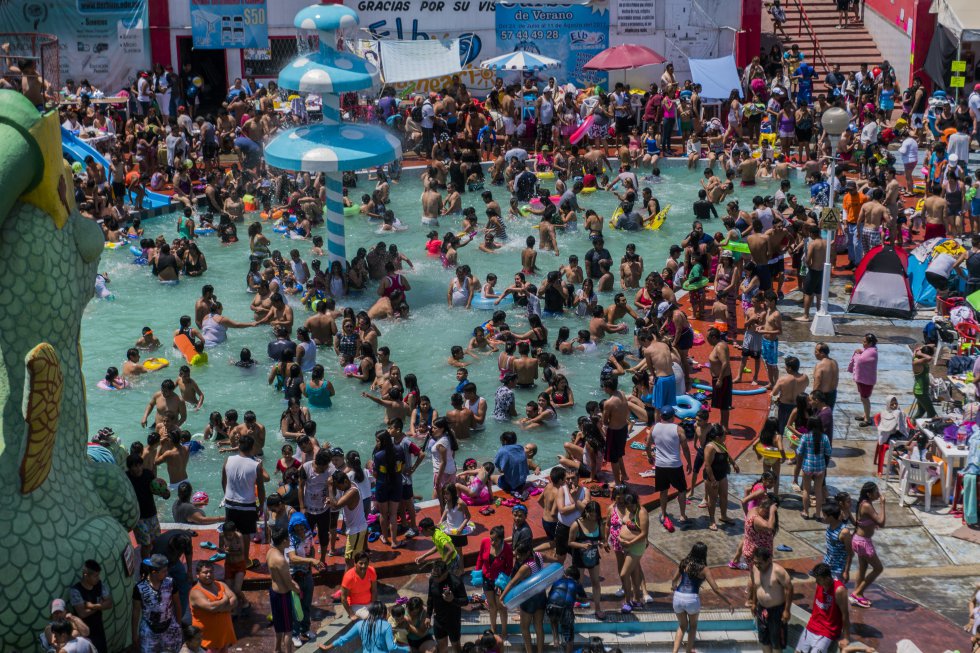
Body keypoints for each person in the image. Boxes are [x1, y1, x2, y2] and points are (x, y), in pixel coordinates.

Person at [671, 542, 733, 653]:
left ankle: (674, 651)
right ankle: (688, 651)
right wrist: (728, 602)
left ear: (692, 551)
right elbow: (715, 589)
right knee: (693, 626)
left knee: (682, 625)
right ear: (704, 554)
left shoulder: (684, 563)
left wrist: (673, 587)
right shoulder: (704, 569)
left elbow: (674, 580)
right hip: (692, 599)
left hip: (678, 597)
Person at [221, 435, 265, 567]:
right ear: (252, 448)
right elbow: (261, 489)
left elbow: (223, 480)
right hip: (247, 505)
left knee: (230, 532)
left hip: (230, 502)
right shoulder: (256, 465)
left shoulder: (228, 459)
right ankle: (245, 560)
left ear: (238, 446)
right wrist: (261, 505)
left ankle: (231, 558)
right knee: (245, 533)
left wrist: (226, 495)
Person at [646, 406, 692, 531]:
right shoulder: (678, 429)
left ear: (661, 416)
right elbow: (686, 448)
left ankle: (664, 514)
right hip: (675, 465)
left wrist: (650, 457)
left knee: (663, 491)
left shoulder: (654, 428)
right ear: (673, 417)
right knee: (682, 490)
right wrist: (689, 463)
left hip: (660, 465)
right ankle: (682, 515)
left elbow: (647, 445)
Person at [500, 543, 548, 653]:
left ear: (527, 553)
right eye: (516, 555)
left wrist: (502, 597)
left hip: (529, 599)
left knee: (524, 628)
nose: (517, 558)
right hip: (541, 595)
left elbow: (512, 582)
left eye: (519, 555)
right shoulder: (540, 556)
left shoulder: (526, 567)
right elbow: (555, 560)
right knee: (539, 627)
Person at [794, 563, 851, 653]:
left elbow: (845, 614)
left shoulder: (839, 590)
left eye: (819, 579)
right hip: (812, 625)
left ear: (827, 579)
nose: (816, 582)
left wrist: (846, 638)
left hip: (827, 631)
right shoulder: (819, 585)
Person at [132, 554, 183, 653]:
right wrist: (134, 634)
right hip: (149, 630)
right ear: (154, 572)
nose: (166, 573)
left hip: (169, 627)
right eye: (164, 571)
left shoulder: (171, 583)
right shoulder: (139, 588)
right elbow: (136, 612)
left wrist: (178, 625)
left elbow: (177, 604)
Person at [747, 548, 793, 653]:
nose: (758, 565)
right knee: (764, 640)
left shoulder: (778, 571)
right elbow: (755, 586)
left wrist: (787, 610)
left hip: (777, 612)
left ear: (769, 560)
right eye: (755, 562)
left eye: (760, 563)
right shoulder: (755, 568)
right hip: (762, 610)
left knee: (776, 643)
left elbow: (789, 589)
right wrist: (754, 603)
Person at [318, 601, 409, 653]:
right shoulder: (386, 626)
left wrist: (327, 648)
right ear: (383, 613)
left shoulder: (360, 624)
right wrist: (406, 649)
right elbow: (392, 648)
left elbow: (344, 639)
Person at [188, 560, 237, 653]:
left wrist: (219, 609)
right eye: (205, 572)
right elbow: (211, 608)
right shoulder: (196, 592)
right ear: (197, 575)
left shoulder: (221, 584)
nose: (209, 574)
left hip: (223, 636)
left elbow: (234, 600)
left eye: (211, 572)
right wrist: (225, 600)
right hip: (207, 641)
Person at [850, 482, 886, 608]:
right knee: (878, 568)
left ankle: (857, 596)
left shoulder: (865, 503)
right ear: (869, 494)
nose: (879, 494)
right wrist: (882, 505)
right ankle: (857, 593)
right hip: (863, 542)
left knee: (863, 567)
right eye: (876, 492)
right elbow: (881, 523)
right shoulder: (866, 505)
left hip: (859, 540)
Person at [267, 527, 301, 653]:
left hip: (273, 592)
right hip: (282, 595)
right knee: (288, 629)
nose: (289, 542)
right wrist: (297, 590)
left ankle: (276, 649)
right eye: (288, 539)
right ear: (284, 541)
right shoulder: (281, 561)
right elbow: (288, 583)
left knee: (278, 624)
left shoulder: (270, 552)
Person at [475, 525, 513, 636]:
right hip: (487, 579)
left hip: (499, 582)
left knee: (500, 606)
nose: (492, 542)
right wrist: (477, 575)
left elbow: (509, 567)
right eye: (491, 539)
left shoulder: (506, 549)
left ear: (501, 539)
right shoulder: (484, 542)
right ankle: (493, 629)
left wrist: (501, 584)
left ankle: (504, 631)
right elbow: (480, 558)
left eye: (495, 540)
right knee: (491, 606)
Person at [69, 560, 112, 653]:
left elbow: (109, 603)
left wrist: (92, 606)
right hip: (83, 633)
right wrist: (101, 605)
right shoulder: (75, 591)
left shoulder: (99, 585)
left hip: (99, 630)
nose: (98, 578)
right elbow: (82, 614)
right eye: (95, 576)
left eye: (98, 575)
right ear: (85, 575)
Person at [425, 559, 467, 653]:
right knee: (441, 647)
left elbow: (465, 601)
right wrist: (428, 615)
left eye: (438, 577)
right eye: (433, 576)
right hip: (439, 620)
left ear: (445, 573)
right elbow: (430, 597)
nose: (435, 579)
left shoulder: (456, 582)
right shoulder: (432, 579)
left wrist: (453, 600)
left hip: (453, 621)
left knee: (456, 646)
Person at [794, 417, 832, 520]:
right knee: (818, 491)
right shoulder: (825, 437)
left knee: (806, 490)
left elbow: (799, 452)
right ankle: (818, 514)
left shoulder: (805, 437)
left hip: (807, 467)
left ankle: (806, 512)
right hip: (820, 468)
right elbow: (829, 452)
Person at [545, 567, 587, 653]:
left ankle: (556, 639)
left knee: (553, 619)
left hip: (551, 607)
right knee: (569, 639)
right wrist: (575, 598)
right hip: (565, 611)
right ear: (577, 578)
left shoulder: (557, 581)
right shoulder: (577, 584)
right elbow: (584, 599)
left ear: (565, 575)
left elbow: (550, 595)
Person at [848, 334, 878, 427]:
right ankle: (865, 415)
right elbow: (863, 355)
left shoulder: (872, 352)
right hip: (863, 379)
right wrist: (860, 351)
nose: (863, 343)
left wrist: (857, 353)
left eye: (865, 342)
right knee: (863, 398)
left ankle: (868, 419)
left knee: (865, 399)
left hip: (866, 381)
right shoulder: (868, 350)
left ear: (870, 343)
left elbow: (861, 360)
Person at [341, 552, 378, 620]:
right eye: (361, 563)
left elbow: (374, 590)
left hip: (370, 603)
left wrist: (373, 605)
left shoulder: (371, 571)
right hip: (355, 605)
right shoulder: (349, 577)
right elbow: (343, 598)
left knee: (385, 613)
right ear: (355, 563)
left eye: (366, 563)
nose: (364, 566)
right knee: (370, 618)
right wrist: (351, 614)